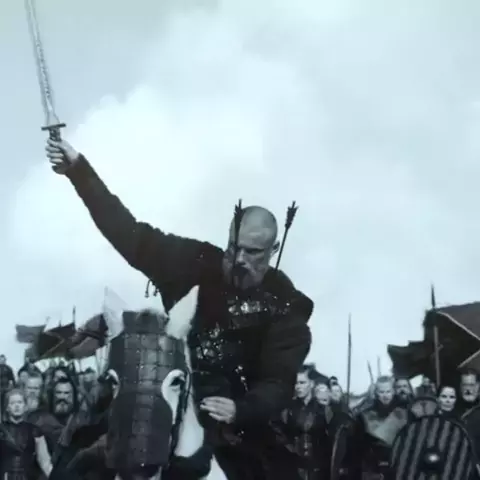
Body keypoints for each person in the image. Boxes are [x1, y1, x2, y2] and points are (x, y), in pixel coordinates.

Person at [46, 138, 313, 479]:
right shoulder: (195, 262)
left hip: (235, 424)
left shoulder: (285, 304)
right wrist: (79, 171)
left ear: (272, 250)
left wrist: (241, 409)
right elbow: (131, 236)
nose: (239, 259)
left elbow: (278, 381)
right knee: (78, 460)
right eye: (234, 247)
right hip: (159, 397)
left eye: (252, 252)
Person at [0, 389, 52, 479]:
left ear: (25, 406)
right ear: (7, 408)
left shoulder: (35, 430)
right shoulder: (1, 430)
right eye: (12, 403)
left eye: (20, 402)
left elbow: (45, 462)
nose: (16, 406)